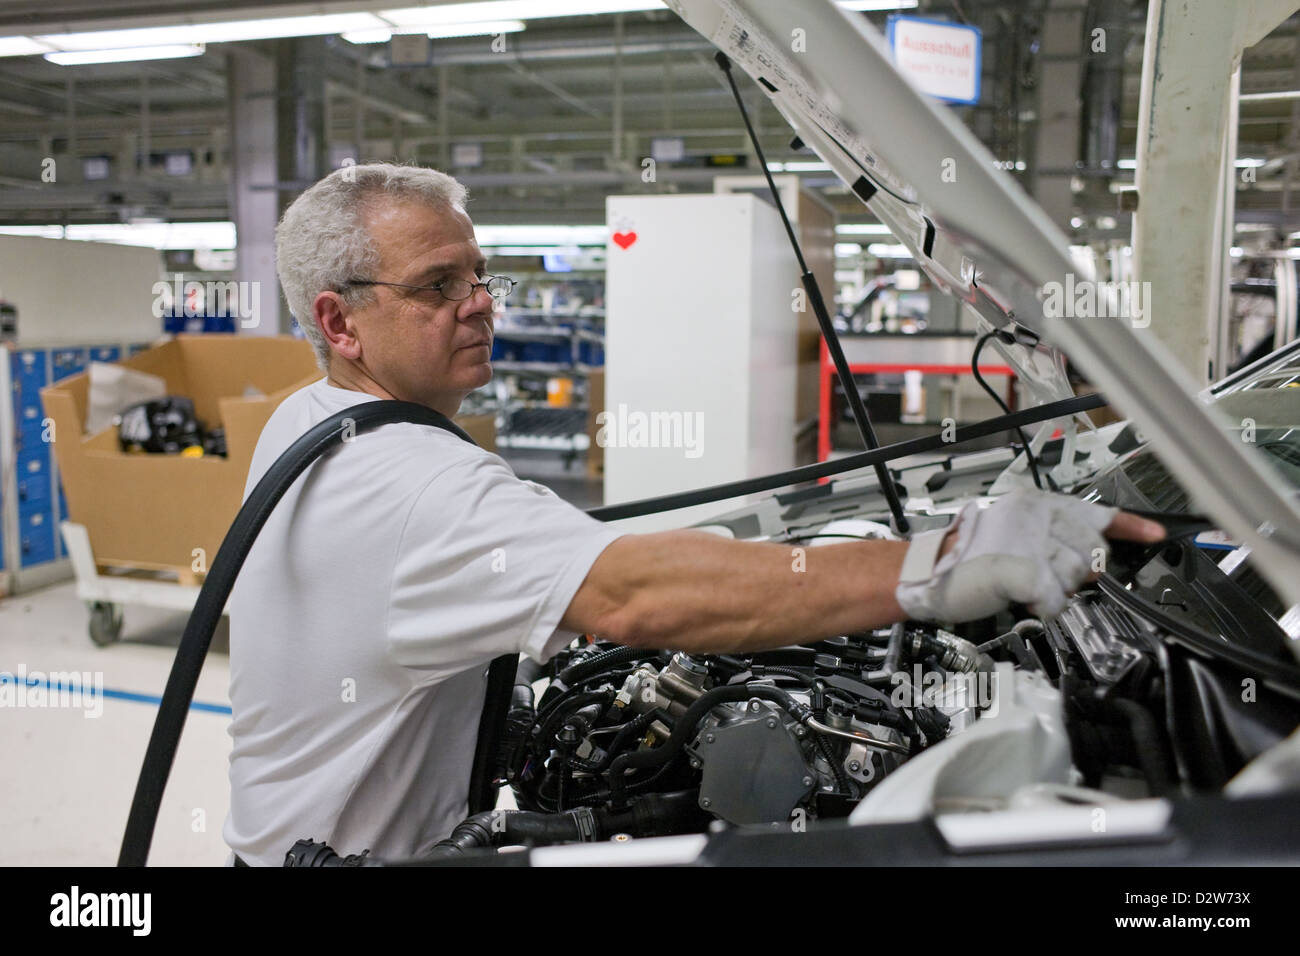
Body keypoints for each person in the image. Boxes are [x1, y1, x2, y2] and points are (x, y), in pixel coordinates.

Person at [223, 162, 1165, 865]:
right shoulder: (408, 481)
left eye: (481, 277)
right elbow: (634, 596)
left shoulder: (312, 422)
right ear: (339, 322)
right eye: (439, 286)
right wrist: (943, 563)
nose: (479, 306)